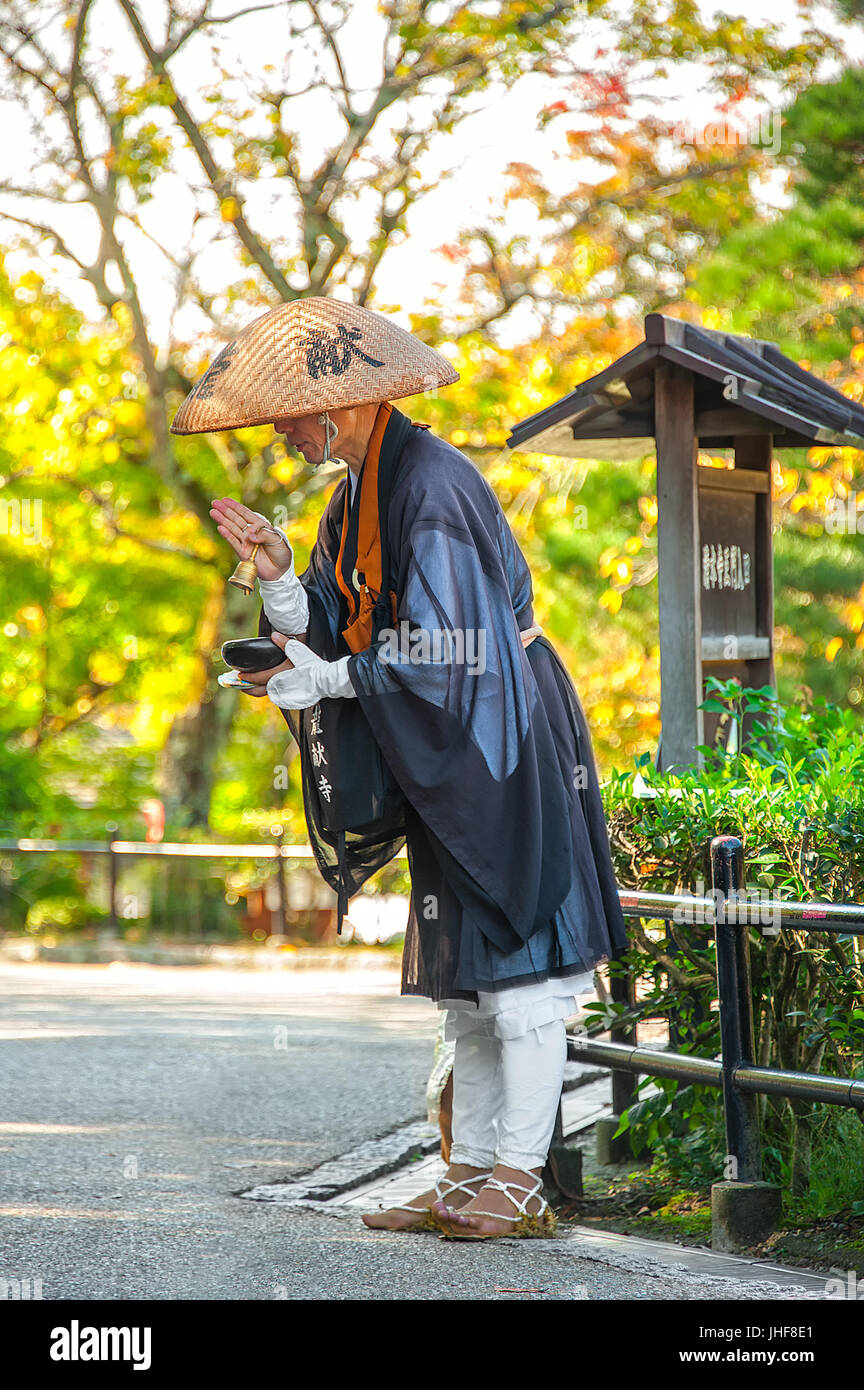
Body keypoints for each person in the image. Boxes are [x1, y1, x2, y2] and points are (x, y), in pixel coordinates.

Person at [171, 297, 628, 1241]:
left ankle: (520, 1176)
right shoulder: (357, 496)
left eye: (290, 416)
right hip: (446, 738)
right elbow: (340, 631)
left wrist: (329, 679)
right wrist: (276, 577)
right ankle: (470, 1172)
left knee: (522, 959)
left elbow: (449, 647)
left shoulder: (435, 483)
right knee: (470, 976)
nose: (283, 433)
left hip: (497, 730)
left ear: (339, 406)